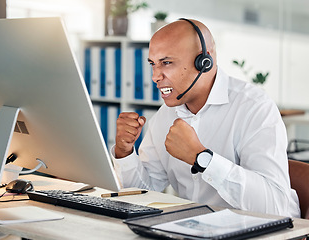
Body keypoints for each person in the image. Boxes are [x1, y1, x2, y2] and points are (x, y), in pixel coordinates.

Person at [111, 18, 300, 217]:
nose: (155, 76)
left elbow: (275, 206)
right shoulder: (166, 115)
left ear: (204, 61)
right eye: (153, 64)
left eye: (166, 63)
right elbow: (145, 191)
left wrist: (202, 158)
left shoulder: (254, 107)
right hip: (197, 228)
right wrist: (125, 152)